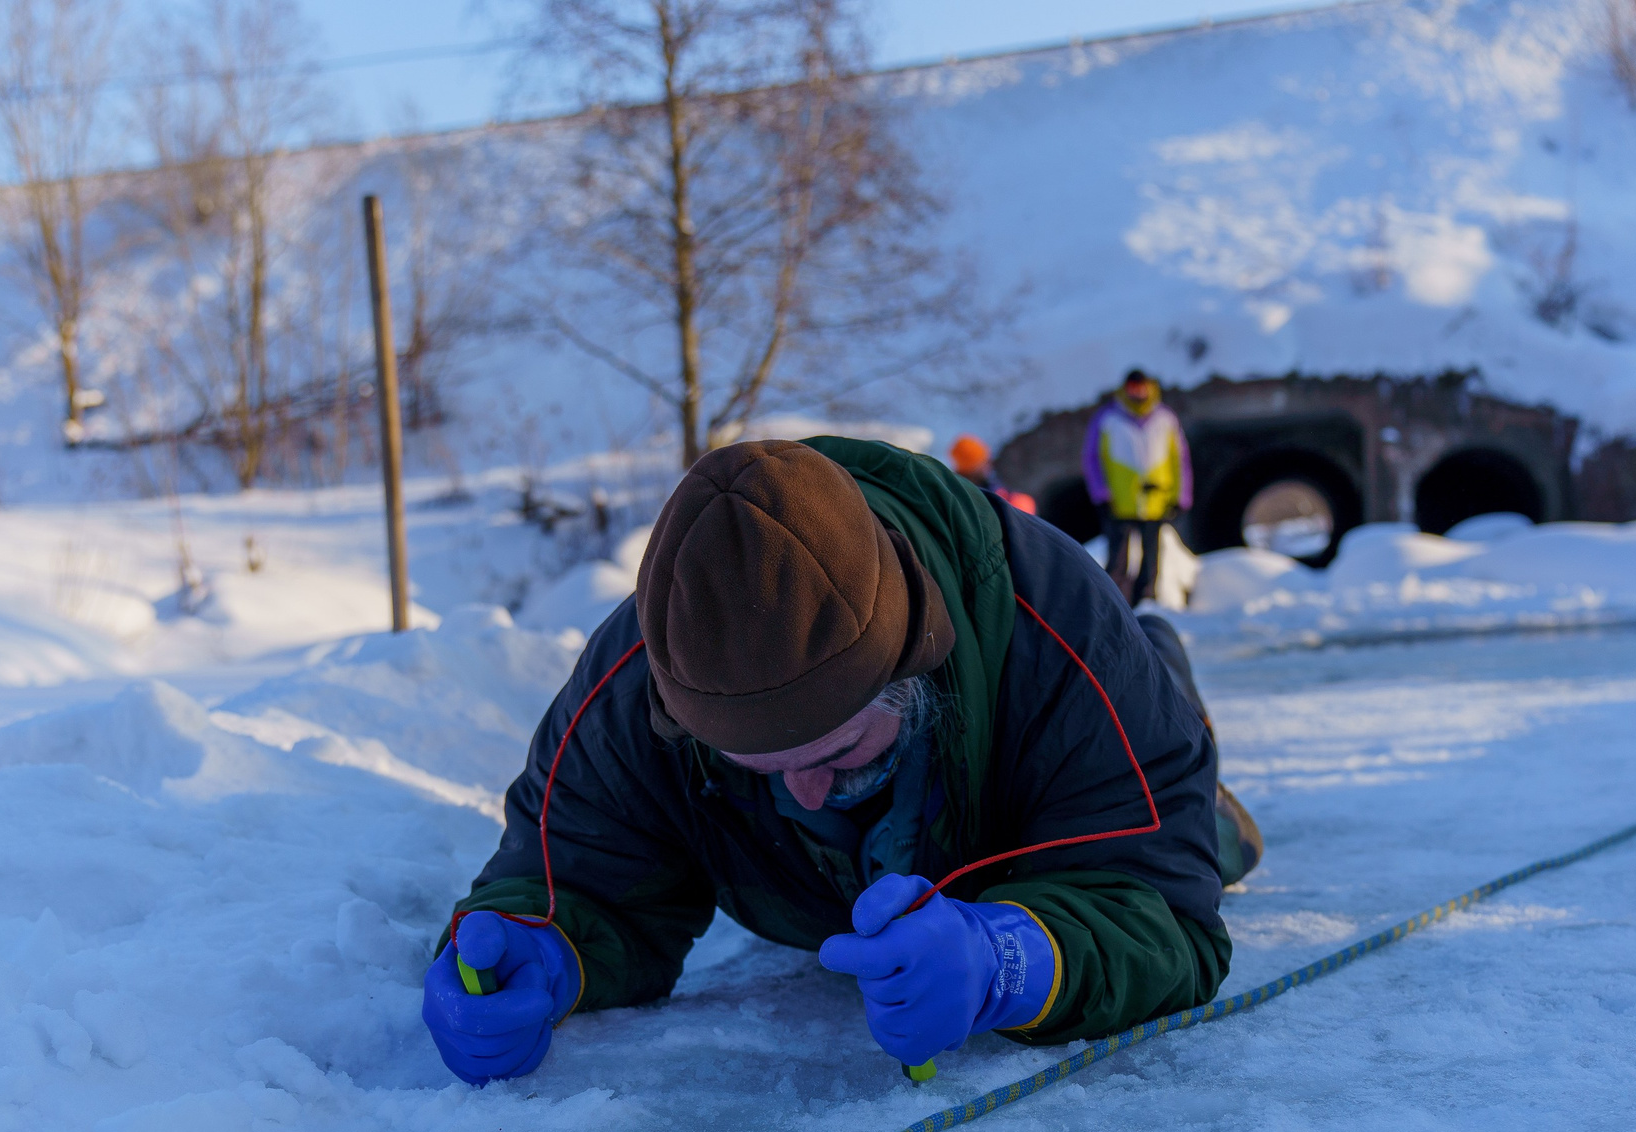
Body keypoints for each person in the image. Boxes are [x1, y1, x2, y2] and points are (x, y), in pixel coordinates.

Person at [420, 436, 1263, 1088]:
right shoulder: (641, 680)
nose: (806, 790)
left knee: (1214, 844)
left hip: (1038, 821)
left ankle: (1167, 668)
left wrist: (1005, 960)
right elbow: (570, 875)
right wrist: (541, 950)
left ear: (915, 665)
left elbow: (1163, 906)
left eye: (839, 750)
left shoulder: (1058, 625)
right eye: (757, 763)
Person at [1082, 370, 1191, 606]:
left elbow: (1179, 459)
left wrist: (1181, 497)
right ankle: (1112, 605)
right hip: (1118, 503)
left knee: (1151, 560)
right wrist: (1100, 494)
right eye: (1132, 387)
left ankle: (1146, 605)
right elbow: (1092, 458)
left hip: (1156, 502)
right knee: (1118, 561)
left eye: (1141, 386)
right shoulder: (1108, 418)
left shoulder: (1165, 419)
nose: (1138, 392)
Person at [946, 434, 1037, 515]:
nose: (990, 463)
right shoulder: (970, 496)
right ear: (973, 469)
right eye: (984, 461)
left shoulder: (983, 482)